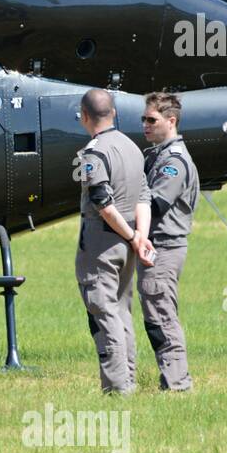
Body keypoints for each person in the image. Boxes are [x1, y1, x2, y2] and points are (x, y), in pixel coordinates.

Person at [75, 88, 154, 395]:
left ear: (84, 116)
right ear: (114, 114)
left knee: (103, 312)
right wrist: (140, 237)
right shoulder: (133, 148)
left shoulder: (93, 154)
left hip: (102, 246)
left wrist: (134, 236)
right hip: (129, 243)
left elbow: (102, 202)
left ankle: (117, 388)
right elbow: (143, 196)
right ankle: (129, 380)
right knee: (122, 312)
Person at [139, 91, 199, 391]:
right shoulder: (159, 155)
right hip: (157, 247)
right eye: (144, 119)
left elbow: (155, 205)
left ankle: (177, 384)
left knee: (161, 318)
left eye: (152, 119)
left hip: (163, 248)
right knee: (156, 315)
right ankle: (173, 381)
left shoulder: (173, 161)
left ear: (171, 121)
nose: (145, 125)